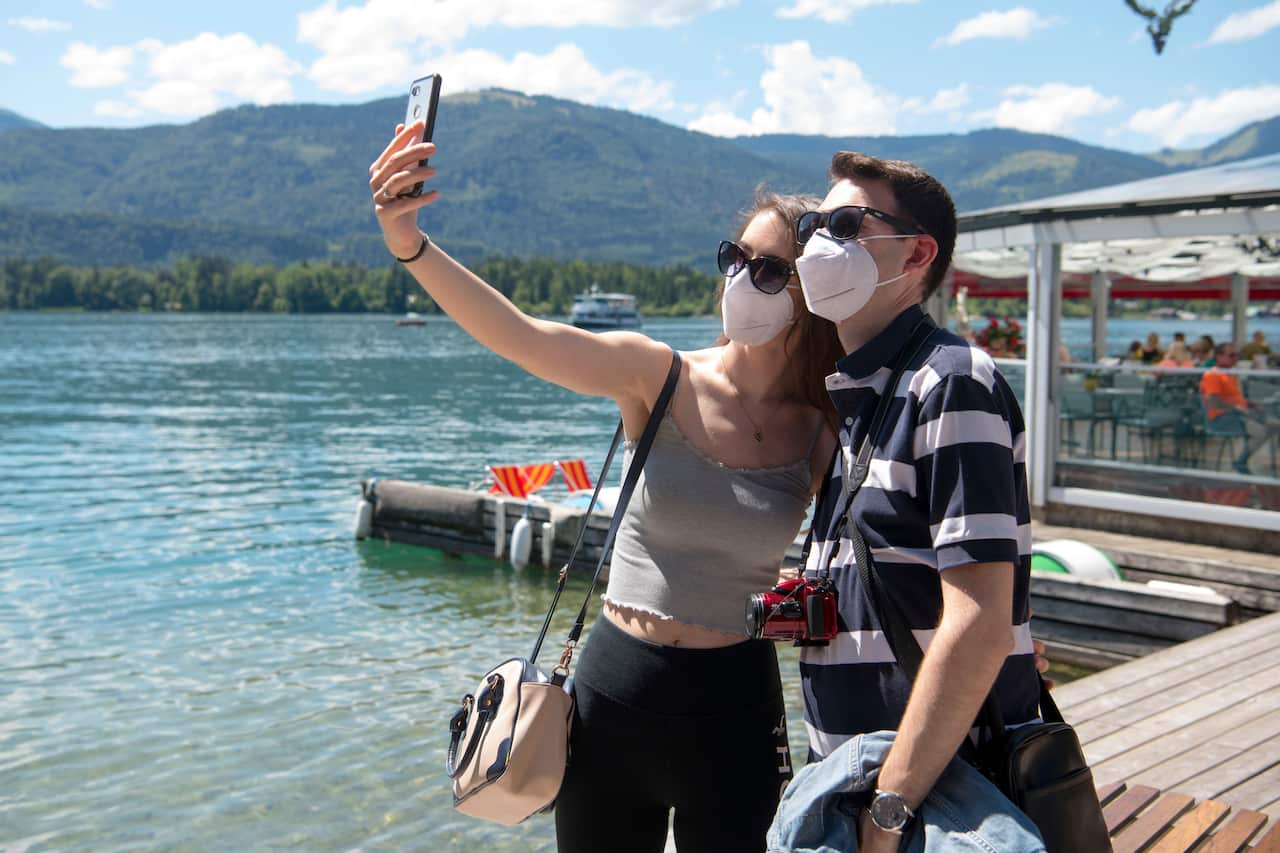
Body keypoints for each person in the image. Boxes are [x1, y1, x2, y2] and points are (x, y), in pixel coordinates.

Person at [368, 121, 841, 853]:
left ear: (810, 294)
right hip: (616, 693)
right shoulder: (654, 373)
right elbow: (520, 334)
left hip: (738, 710)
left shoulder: (819, 430)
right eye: (735, 258)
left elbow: (886, 536)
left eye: (770, 271)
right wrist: (410, 245)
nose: (744, 280)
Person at [792, 152, 1041, 853]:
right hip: (863, 785)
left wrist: (888, 811)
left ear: (917, 253)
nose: (818, 241)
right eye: (813, 223)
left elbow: (981, 620)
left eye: (845, 223)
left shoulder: (950, 381)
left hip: (937, 802)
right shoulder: (869, 397)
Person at [1200, 342, 1279, 475]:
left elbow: (1235, 399)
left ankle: (1253, 458)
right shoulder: (1213, 375)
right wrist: (1237, 408)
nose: (1235, 358)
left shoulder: (1230, 374)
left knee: (1275, 425)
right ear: (1219, 356)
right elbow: (1213, 402)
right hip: (1223, 418)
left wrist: (1250, 404)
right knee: (1261, 431)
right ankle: (1241, 462)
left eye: (1236, 355)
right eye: (1231, 355)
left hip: (1239, 415)